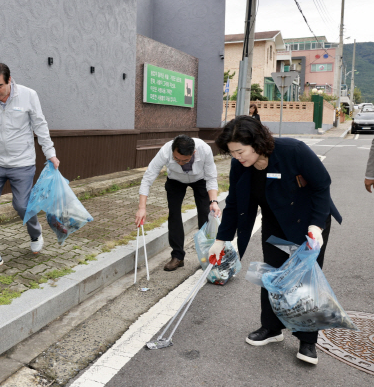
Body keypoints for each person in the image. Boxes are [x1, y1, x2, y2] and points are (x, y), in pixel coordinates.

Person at [209, 115, 342, 365]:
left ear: (257, 142)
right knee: (272, 275)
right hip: (275, 221)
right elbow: (236, 202)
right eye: (232, 153)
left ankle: (307, 340)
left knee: (305, 279)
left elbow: (322, 186)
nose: (237, 157)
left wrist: (315, 226)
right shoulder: (241, 165)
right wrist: (222, 239)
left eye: (240, 151)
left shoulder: (293, 151)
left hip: (309, 222)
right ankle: (271, 329)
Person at [0, 63, 60, 272]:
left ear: (9, 80)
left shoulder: (28, 95)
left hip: (22, 163)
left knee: (22, 206)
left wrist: (51, 154)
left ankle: (35, 233)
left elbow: (40, 125)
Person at [135, 135, 221, 271]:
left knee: (205, 214)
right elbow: (148, 177)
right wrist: (142, 207)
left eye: (185, 160)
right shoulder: (165, 151)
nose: (180, 163)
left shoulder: (204, 149)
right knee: (174, 215)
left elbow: (211, 177)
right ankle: (178, 256)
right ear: (172, 151)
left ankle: (207, 255)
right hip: (175, 180)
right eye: (176, 159)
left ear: (194, 153)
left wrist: (214, 202)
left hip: (200, 179)